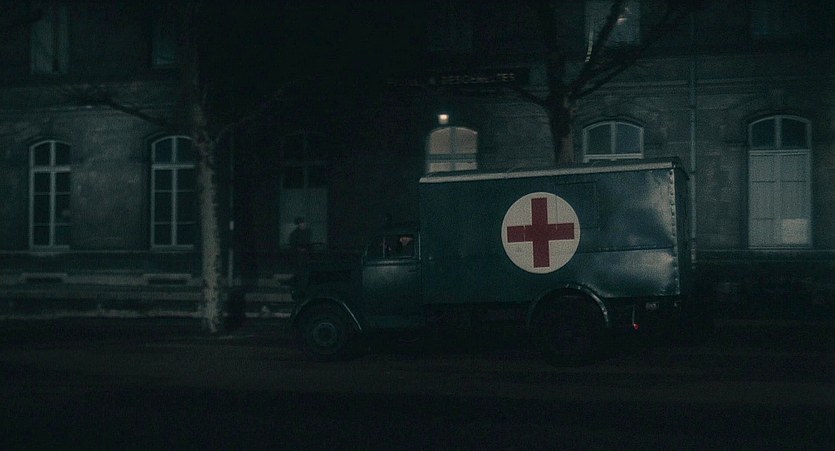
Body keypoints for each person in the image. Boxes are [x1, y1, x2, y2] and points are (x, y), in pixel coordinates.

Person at [288, 217, 312, 290]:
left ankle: (304, 287)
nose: (302, 224)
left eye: (303, 223)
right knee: (300, 273)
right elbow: (293, 245)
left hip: (307, 256)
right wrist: (299, 249)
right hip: (299, 257)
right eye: (301, 223)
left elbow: (309, 243)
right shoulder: (294, 234)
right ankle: (300, 287)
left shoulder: (308, 232)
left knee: (306, 272)